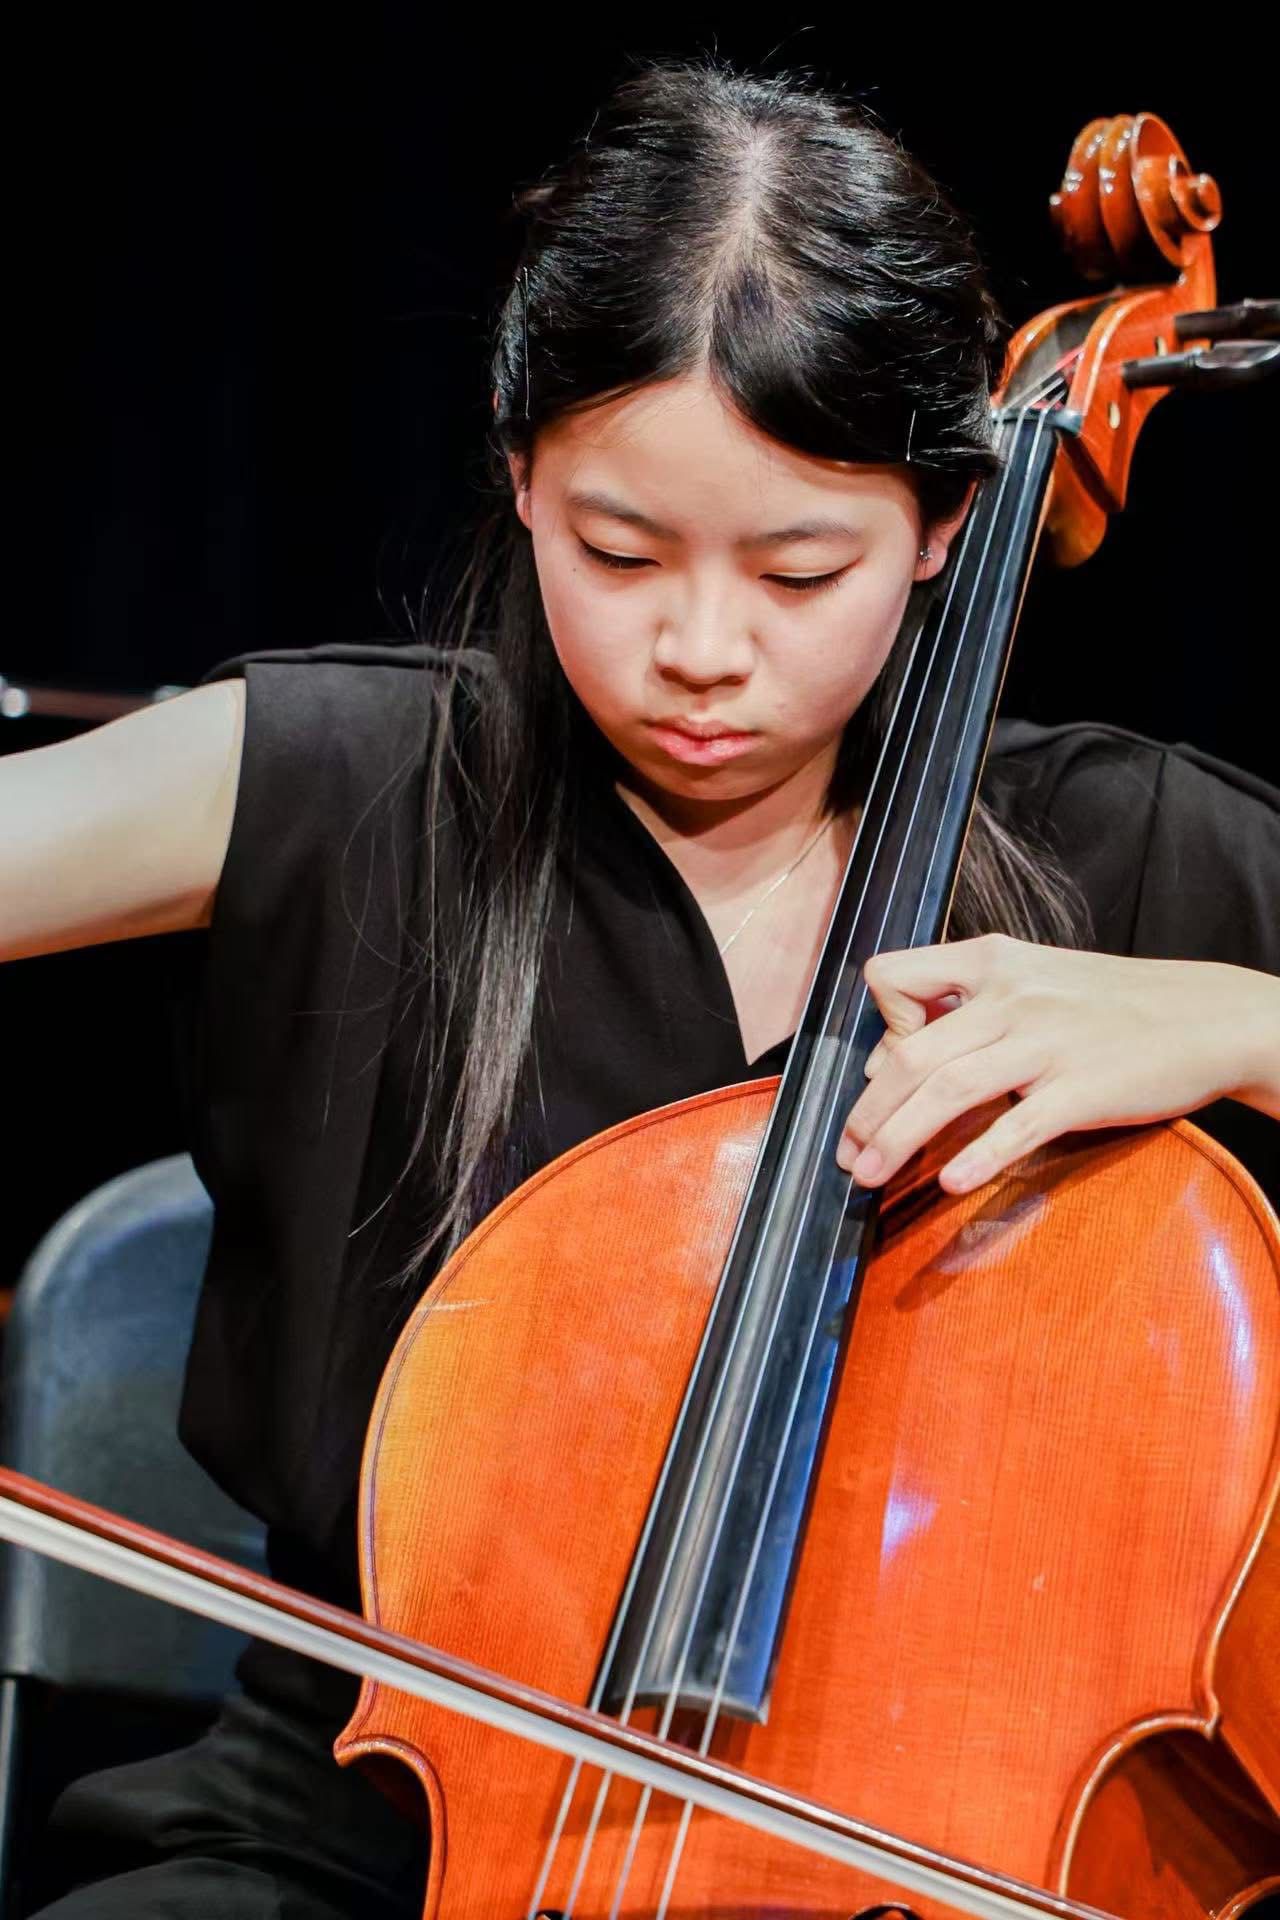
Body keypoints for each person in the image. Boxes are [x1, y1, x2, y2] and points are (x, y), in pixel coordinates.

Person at [4, 51, 1277, 1920]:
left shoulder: (1133, 852)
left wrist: (1249, 1024)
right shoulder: (343, 783)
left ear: (943, 524)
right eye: (620, 550)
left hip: (961, 1845)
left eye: (800, 571)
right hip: (364, 1829)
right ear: (520, 473)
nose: (700, 648)